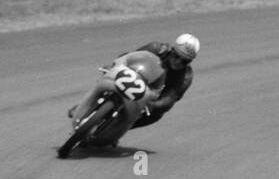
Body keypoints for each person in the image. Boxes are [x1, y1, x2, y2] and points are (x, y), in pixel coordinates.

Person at [71, 32, 200, 129]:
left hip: (151, 96)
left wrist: (155, 105)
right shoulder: (156, 48)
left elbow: (170, 98)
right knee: (108, 74)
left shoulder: (186, 76)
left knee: (156, 115)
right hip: (133, 76)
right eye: (177, 56)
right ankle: (87, 105)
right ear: (172, 50)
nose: (178, 62)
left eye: (185, 61)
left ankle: (118, 129)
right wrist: (113, 66)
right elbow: (129, 56)